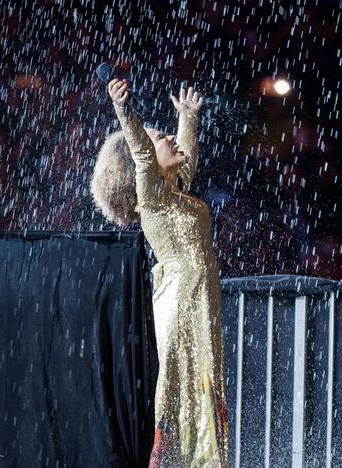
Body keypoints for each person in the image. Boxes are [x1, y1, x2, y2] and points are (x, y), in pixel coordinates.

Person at [91, 77, 229, 467]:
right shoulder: (151, 197)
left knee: (203, 383)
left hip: (199, 298)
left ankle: (205, 460)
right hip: (182, 301)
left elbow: (185, 153)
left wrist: (188, 119)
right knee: (186, 384)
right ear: (141, 165)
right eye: (160, 136)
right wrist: (123, 109)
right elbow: (140, 149)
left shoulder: (173, 192)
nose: (168, 138)